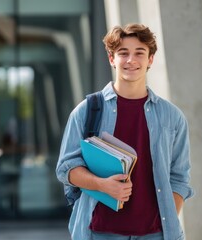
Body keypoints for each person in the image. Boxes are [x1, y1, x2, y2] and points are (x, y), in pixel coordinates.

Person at [55, 23, 194, 240]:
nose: (131, 60)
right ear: (112, 59)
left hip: (156, 234)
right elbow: (65, 169)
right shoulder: (87, 111)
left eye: (139, 53)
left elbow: (179, 177)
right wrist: (102, 185)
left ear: (150, 60)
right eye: (123, 53)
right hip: (99, 232)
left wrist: (166, 216)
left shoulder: (172, 116)